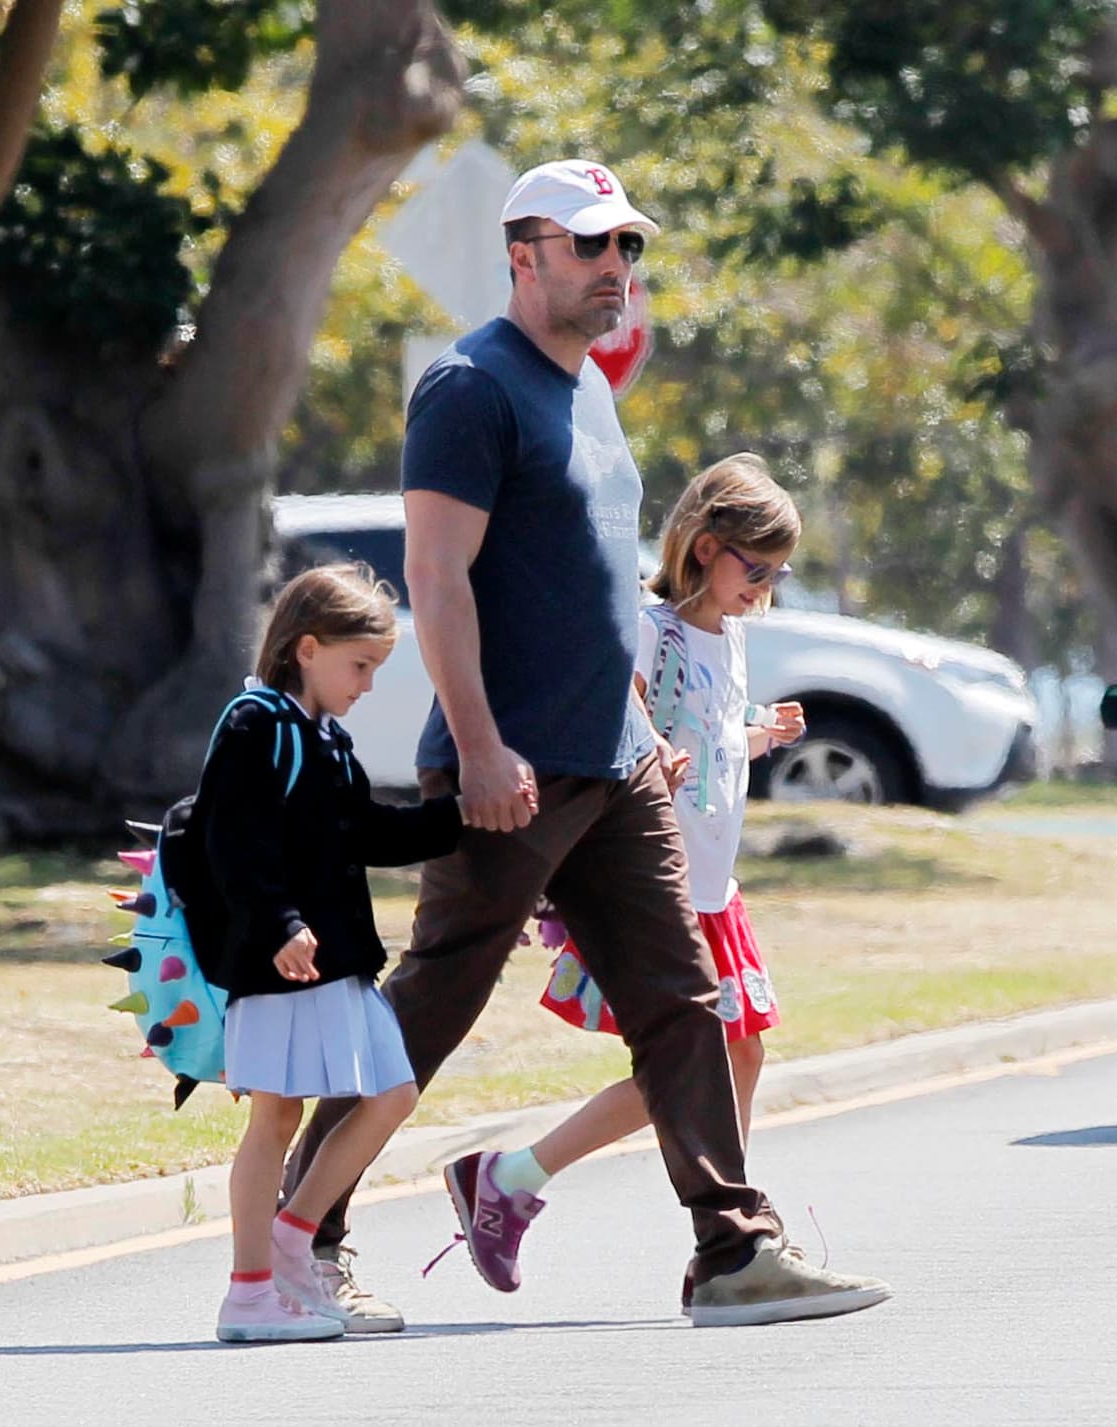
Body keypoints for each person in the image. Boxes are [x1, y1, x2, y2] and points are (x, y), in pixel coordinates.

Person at [283, 159, 890, 1329]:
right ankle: (298, 1243)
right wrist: (478, 742)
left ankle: (733, 1250)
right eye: (590, 246)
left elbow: (600, 588)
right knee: (426, 1012)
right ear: (524, 254)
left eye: (628, 247)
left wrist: (642, 729)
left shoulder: (591, 392)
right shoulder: (470, 386)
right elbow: (436, 579)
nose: (616, 267)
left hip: (614, 767)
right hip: (511, 766)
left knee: (683, 1001)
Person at [460, 452, 805, 1312]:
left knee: (739, 1051)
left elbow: (714, 731)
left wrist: (759, 734)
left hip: (716, 886)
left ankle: (726, 1235)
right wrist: (650, 744)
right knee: (692, 1061)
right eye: (751, 567)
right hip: (658, 881)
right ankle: (526, 1180)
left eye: (776, 573)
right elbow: (619, 705)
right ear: (701, 545)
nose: (761, 588)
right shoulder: (653, 626)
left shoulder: (729, 634)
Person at [203, 564, 462, 1343]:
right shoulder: (255, 725)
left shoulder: (323, 738)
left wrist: (466, 814)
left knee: (392, 1091)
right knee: (276, 1118)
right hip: (281, 959)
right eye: (361, 666)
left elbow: (371, 831)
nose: (368, 685)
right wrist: (279, 923)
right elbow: (231, 841)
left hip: (338, 961)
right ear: (307, 648)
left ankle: (293, 1236)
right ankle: (249, 1295)